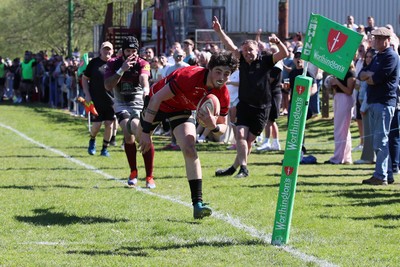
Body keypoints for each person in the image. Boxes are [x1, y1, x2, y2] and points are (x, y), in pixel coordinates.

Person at [137, 51, 238, 219]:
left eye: (226, 74)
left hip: (181, 109)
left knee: (190, 148)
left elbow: (222, 127)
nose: (222, 77)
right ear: (209, 69)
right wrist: (147, 132)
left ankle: (197, 204)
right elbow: (156, 99)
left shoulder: (223, 94)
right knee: (138, 137)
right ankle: (133, 126)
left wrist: (213, 127)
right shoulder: (190, 76)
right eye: (218, 71)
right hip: (158, 103)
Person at [212, 16, 289, 178]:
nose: (247, 53)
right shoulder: (241, 59)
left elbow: (285, 53)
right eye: (245, 50)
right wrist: (219, 32)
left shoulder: (266, 61)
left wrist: (277, 42)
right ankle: (244, 169)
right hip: (245, 105)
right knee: (240, 135)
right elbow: (229, 45)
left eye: (250, 50)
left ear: (257, 51)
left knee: (248, 142)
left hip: (262, 108)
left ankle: (234, 168)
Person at [104, 35, 155, 189]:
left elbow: (144, 78)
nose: (131, 53)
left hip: (139, 103)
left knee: (137, 130)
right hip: (121, 103)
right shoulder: (113, 63)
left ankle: (149, 176)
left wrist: (146, 90)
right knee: (128, 131)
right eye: (128, 50)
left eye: (134, 50)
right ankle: (133, 172)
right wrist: (121, 70)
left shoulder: (143, 63)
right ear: (122, 51)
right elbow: (107, 85)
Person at [358, 27, 400, 185]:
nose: (374, 41)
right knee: (379, 141)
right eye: (374, 38)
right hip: (374, 102)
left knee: (380, 141)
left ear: (387, 40)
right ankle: (386, 174)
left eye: (378, 39)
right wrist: (369, 76)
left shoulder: (391, 57)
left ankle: (381, 176)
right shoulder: (377, 57)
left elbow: (376, 79)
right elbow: (362, 74)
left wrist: (369, 76)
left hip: (384, 102)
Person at [82, 41, 116, 157]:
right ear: (100, 51)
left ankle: (104, 149)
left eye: (109, 49)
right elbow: (84, 78)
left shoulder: (115, 63)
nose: (107, 51)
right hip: (96, 100)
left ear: (112, 51)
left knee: (109, 124)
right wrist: (87, 94)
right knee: (96, 126)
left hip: (111, 100)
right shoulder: (94, 63)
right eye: (105, 49)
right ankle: (92, 140)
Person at [324, 64, 356, 164]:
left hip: (345, 99)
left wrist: (337, 82)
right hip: (338, 97)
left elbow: (349, 91)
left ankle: (338, 158)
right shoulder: (339, 72)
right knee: (342, 129)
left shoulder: (350, 73)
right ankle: (345, 157)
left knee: (341, 129)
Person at [354, 49, 377, 165]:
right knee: (367, 131)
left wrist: (363, 107)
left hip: (367, 104)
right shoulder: (365, 69)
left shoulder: (373, 70)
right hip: (361, 101)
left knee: (369, 132)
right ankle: (368, 156)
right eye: (367, 57)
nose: (368, 59)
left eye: (370, 57)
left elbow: (370, 91)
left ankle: (368, 157)